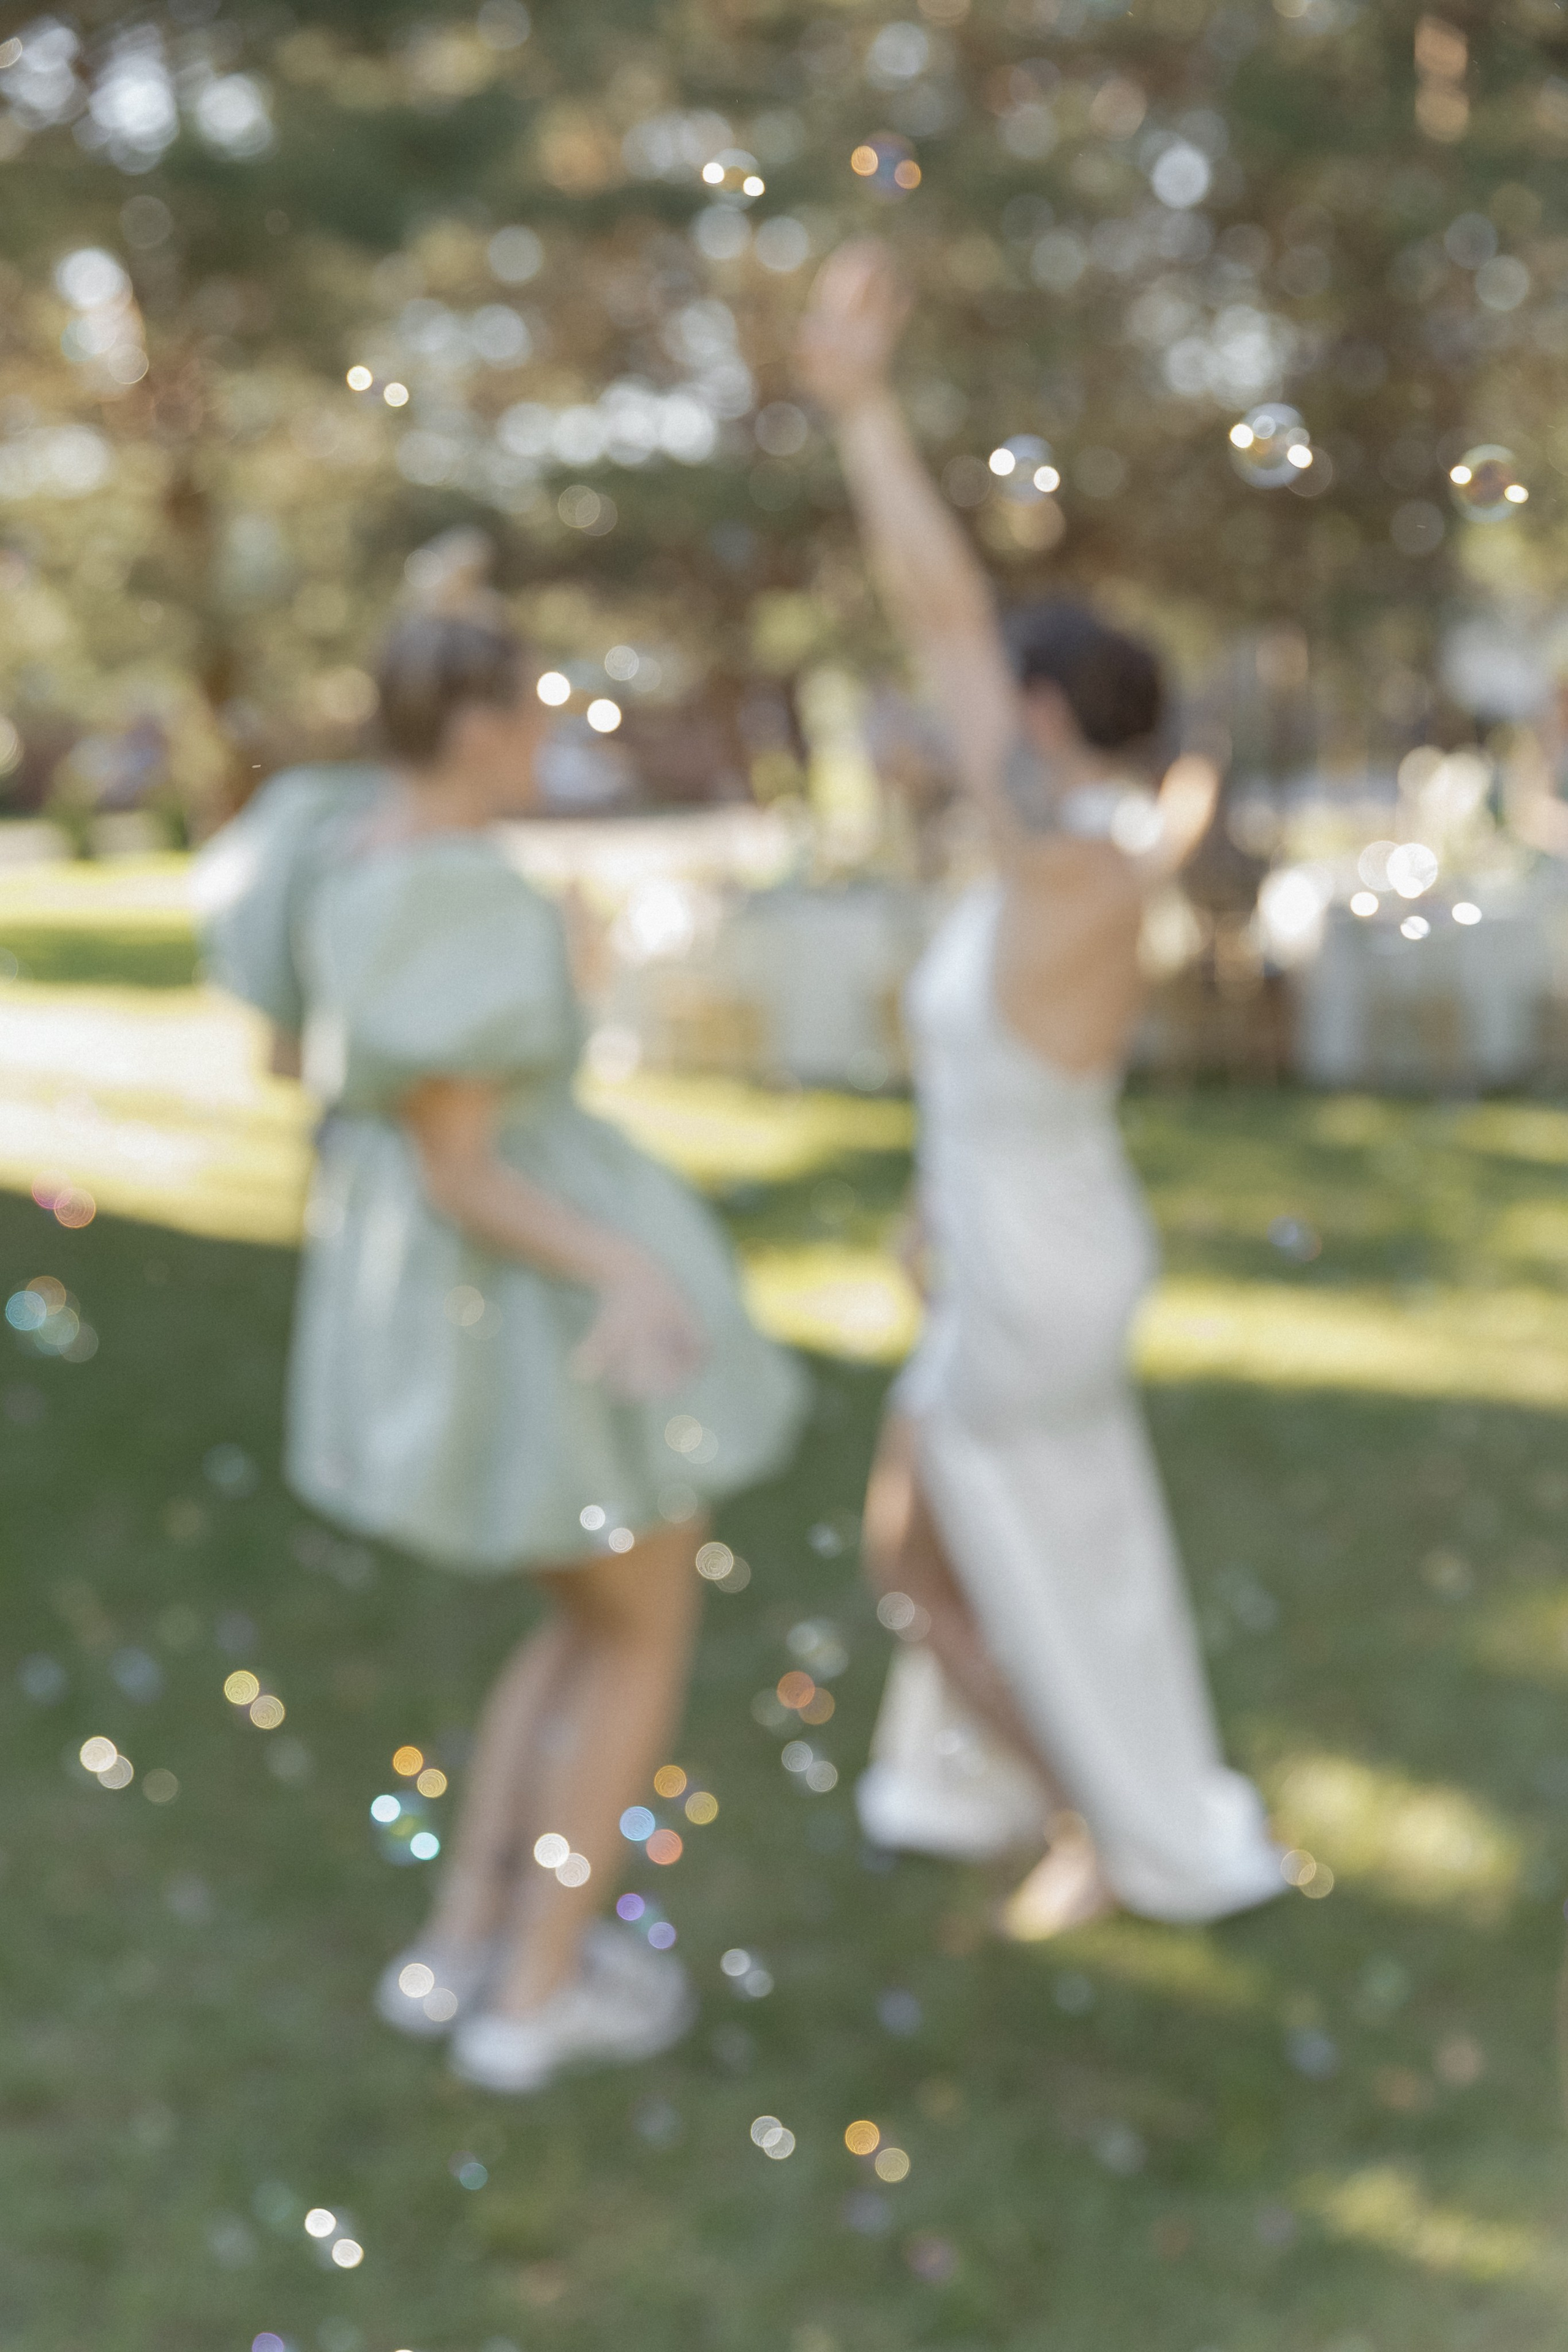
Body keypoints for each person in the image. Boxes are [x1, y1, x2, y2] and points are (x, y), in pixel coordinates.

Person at [194, 575, 807, 2087]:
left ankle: (461, 1941)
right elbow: (467, 1168)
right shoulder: (451, 884)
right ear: (469, 723)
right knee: (643, 1622)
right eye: (529, 708)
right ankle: (535, 1997)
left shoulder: (331, 846)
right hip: (523, 1295)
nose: (545, 736)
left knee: (580, 1613)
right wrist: (628, 1271)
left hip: (431, 1292)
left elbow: (301, 1062)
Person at [796, 241, 1283, 1936]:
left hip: (1033, 1268)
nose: (960, 698)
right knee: (970, 1553)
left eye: (995, 684)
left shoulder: (1063, 859)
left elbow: (933, 609)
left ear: (1043, 711)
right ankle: (1040, 1795)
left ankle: (1101, 1821)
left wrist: (862, 411)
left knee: (934, 1559)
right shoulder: (1071, 864)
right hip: (1017, 1236)